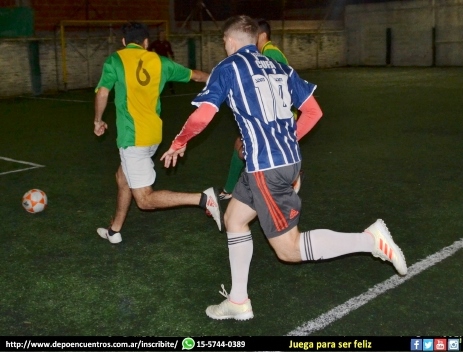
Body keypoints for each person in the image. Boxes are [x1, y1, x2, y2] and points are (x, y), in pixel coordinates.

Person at [161, 15, 407, 320]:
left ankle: (371, 240)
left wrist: (179, 141)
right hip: (283, 162)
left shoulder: (229, 67)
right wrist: (286, 141)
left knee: (289, 250)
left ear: (230, 41)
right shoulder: (280, 66)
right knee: (235, 219)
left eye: (224, 41)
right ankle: (238, 301)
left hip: (267, 169)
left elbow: (204, 114)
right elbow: (313, 112)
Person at [93, 22, 223, 244]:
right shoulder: (160, 61)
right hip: (154, 136)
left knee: (144, 200)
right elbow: (197, 76)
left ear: (123, 42)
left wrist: (98, 120)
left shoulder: (115, 60)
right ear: (145, 43)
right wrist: (221, 79)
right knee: (122, 178)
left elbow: (103, 93)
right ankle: (114, 231)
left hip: (133, 138)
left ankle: (203, 199)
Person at [219, 18, 296, 201]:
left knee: (248, 148)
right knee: (241, 144)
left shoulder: (270, 55)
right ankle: (232, 189)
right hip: (272, 114)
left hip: (277, 116)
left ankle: (287, 180)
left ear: (261, 35)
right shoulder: (266, 53)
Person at [148, 30, 176, 94]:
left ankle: (171, 88)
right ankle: (154, 89)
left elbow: (170, 51)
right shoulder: (155, 43)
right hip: (158, 61)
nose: (162, 35)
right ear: (159, 35)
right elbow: (149, 49)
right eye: (161, 34)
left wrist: (172, 57)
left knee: (168, 74)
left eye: (163, 34)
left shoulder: (167, 43)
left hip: (166, 61)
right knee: (156, 75)